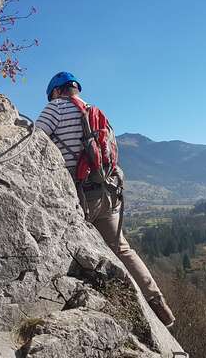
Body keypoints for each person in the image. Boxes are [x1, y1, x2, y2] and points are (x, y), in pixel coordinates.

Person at [35, 72, 175, 327]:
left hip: (77, 197)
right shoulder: (95, 110)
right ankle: (158, 303)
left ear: (55, 92)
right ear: (75, 88)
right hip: (107, 192)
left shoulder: (54, 108)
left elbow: (33, 141)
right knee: (121, 249)